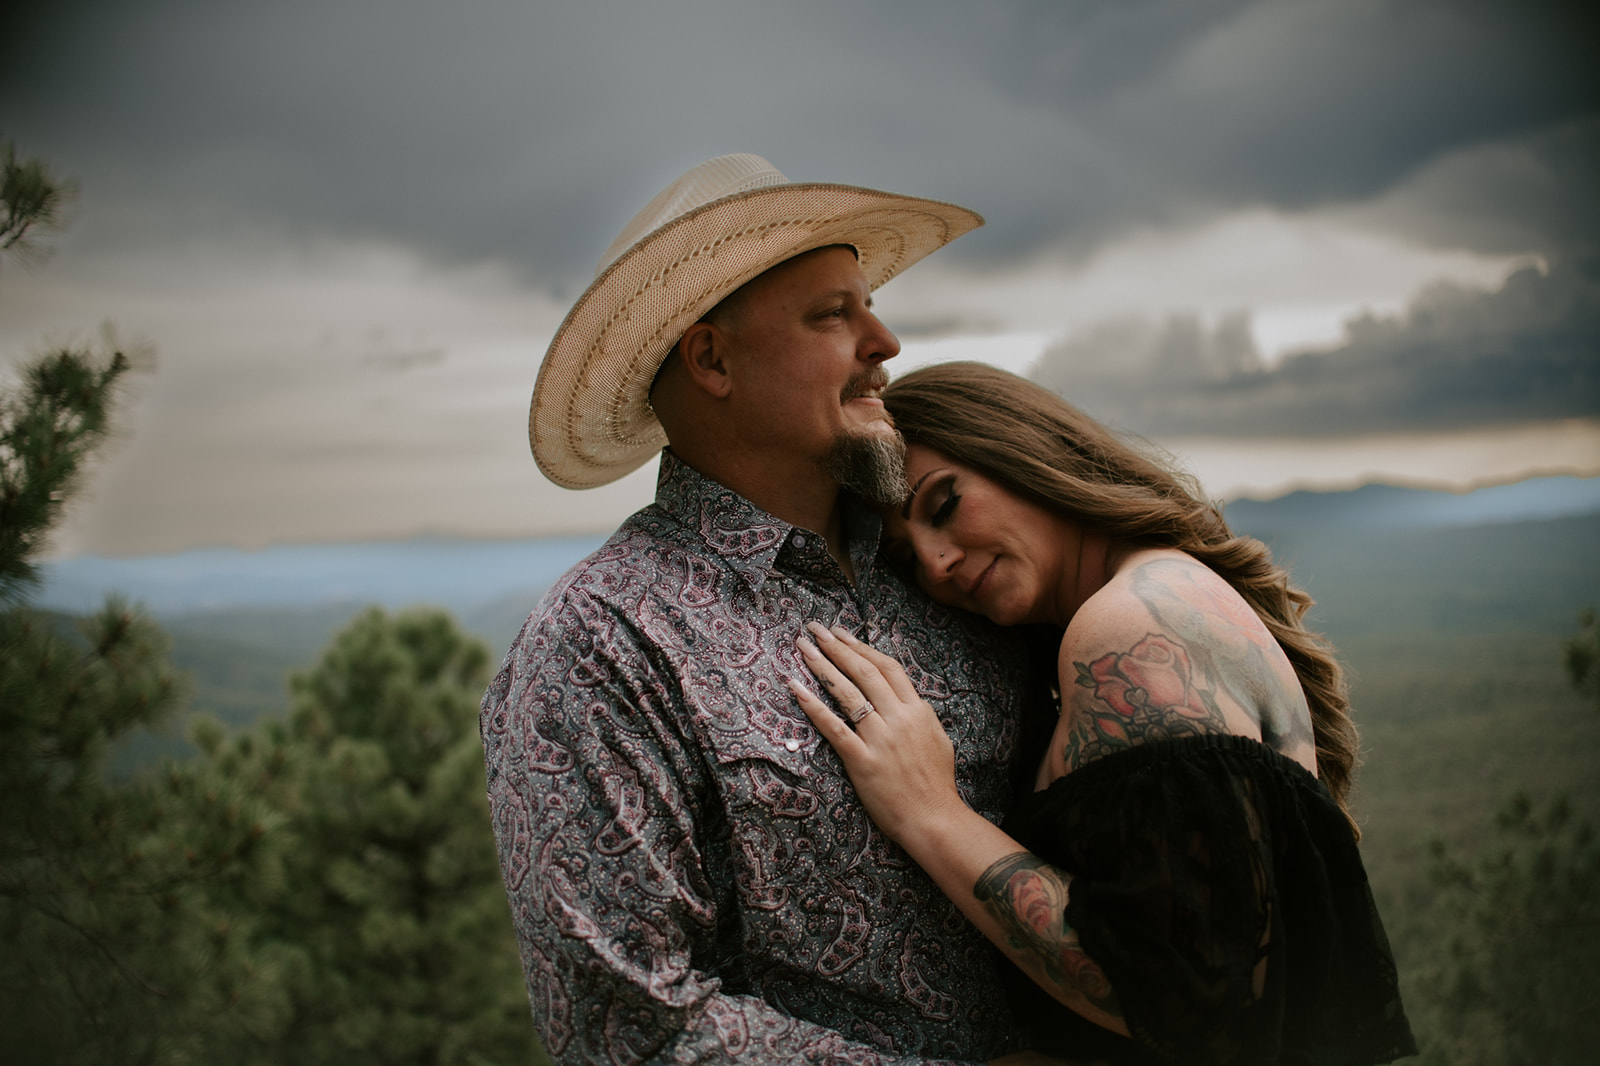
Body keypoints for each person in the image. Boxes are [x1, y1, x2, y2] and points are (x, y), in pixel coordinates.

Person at [481, 157, 1050, 1064]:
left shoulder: (950, 563)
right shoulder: (601, 641)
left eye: (867, 304)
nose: (885, 341)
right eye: (834, 313)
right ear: (712, 358)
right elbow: (633, 1030)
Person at [791, 362, 1418, 1065]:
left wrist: (929, 811)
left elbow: (1183, 990)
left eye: (943, 505)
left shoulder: (1128, 629)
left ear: (1024, 455)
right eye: (907, 559)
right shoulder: (1157, 592)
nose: (936, 564)